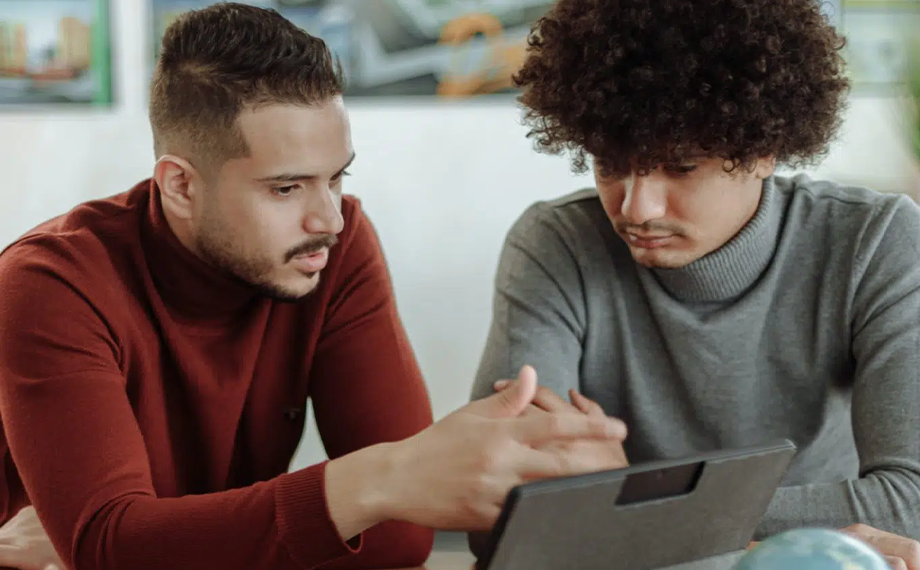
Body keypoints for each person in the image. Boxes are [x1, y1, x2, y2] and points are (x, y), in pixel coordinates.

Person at [0, 4, 631, 570]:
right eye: (286, 187)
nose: (328, 217)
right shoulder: (48, 285)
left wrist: (154, 544)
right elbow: (113, 545)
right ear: (181, 186)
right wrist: (385, 477)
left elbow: (403, 539)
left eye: (336, 178)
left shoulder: (336, 243)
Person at [471, 0, 920, 552]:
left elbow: (909, 503)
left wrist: (624, 497)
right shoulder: (555, 244)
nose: (637, 208)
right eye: (610, 163)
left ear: (764, 150)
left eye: (681, 166)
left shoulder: (874, 241)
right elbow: (494, 508)